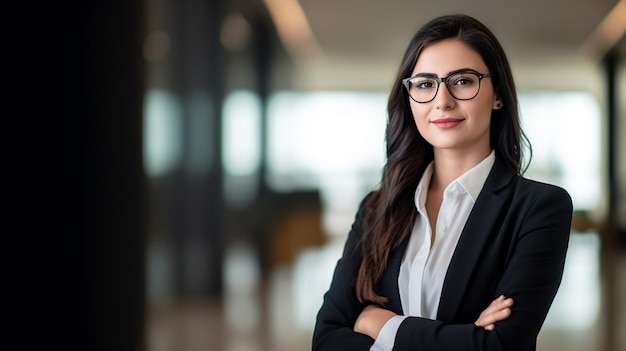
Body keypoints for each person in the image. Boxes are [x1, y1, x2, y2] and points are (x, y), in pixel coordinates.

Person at [312, 14, 573, 351]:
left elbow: (501, 347)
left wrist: (383, 324)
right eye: (424, 84)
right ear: (409, 98)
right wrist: (462, 337)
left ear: (498, 95)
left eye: (463, 81)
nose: (442, 100)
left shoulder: (538, 208)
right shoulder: (377, 208)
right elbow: (327, 339)